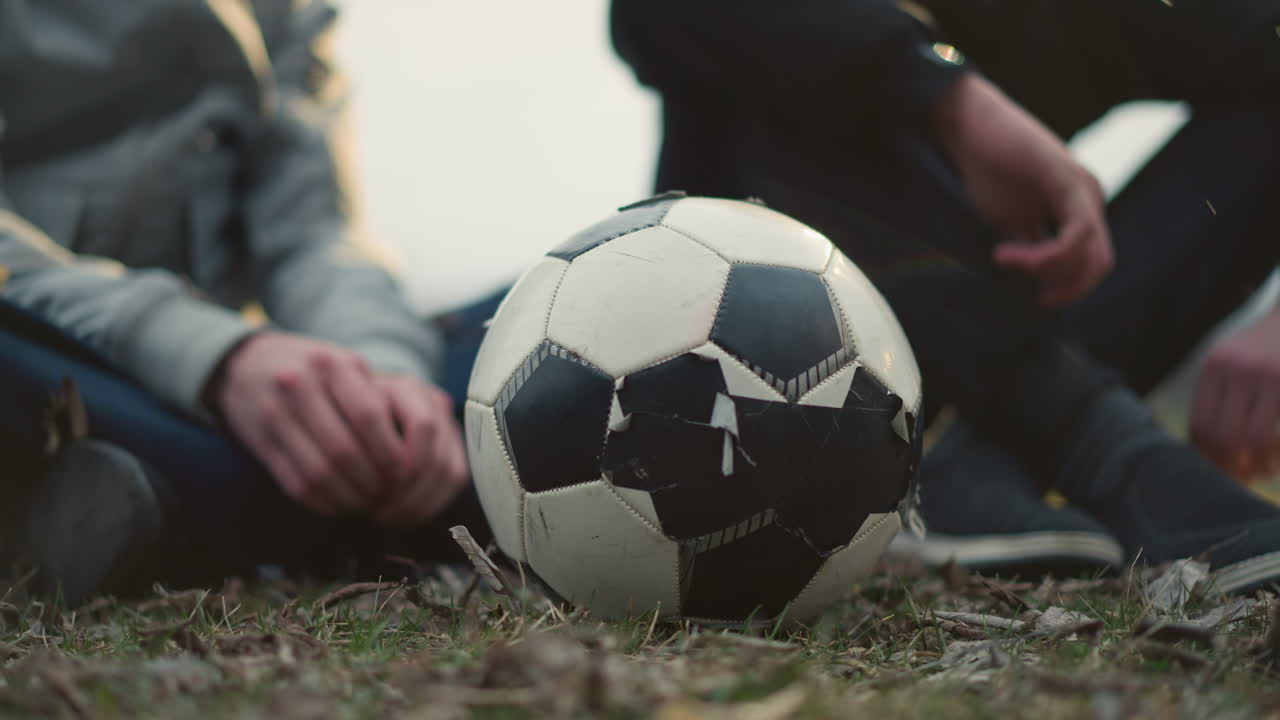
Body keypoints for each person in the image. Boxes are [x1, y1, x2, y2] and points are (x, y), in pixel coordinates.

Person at [610, 0, 1280, 588]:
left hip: (1016, 339)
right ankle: (1089, 446)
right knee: (796, 42)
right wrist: (951, 99)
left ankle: (1002, 443)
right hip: (739, 366)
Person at [0, 1, 490, 605]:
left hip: (237, 415)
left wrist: (387, 374)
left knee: (520, 323)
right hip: (73, 364)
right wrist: (215, 355)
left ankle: (209, 504)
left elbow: (314, 233)